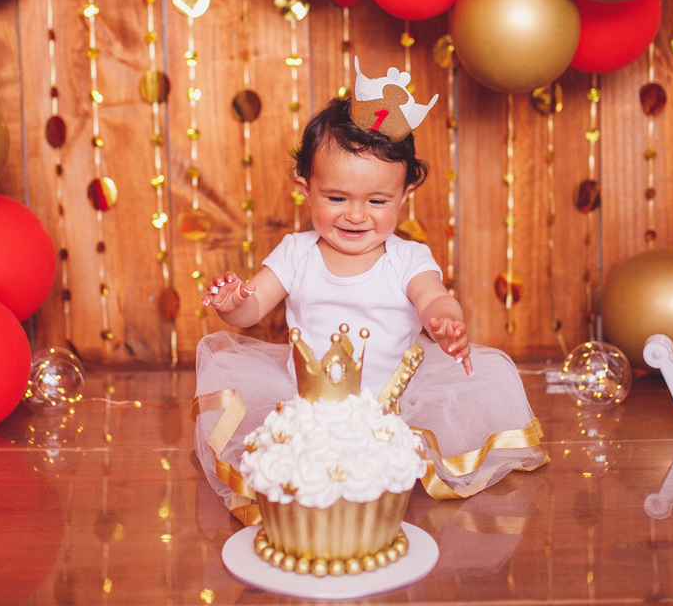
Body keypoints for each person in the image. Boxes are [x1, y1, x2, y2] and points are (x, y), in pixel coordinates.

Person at [192, 66, 546, 523]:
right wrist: (234, 301)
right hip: (310, 403)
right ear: (305, 190)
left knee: (411, 449)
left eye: (377, 202)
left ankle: (385, 476)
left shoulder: (407, 258)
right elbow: (253, 307)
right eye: (337, 198)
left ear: (403, 197)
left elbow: (433, 296)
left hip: (393, 400)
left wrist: (445, 320)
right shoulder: (296, 253)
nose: (357, 215)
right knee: (294, 462)